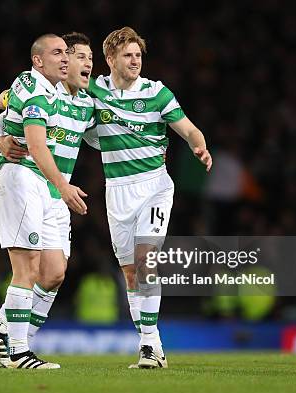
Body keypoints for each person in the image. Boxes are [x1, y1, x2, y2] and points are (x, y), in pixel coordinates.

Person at [86, 27, 212, 368]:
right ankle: (151, 346)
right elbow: (57, 86)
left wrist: (198, 144)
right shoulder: (94, 88)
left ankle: (150, 346)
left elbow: (187, 127)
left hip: (154, 186)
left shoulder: (157, 93)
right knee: (130, 273)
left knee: (146, 262)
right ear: (110, 59)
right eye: (128, 55)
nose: (135, 61)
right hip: (117, 190)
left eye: (138, 55)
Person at [0, 33, 87, 369]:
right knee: (27, 268)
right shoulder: (31, 85)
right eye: (67, 54)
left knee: (54, 272)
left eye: (87, 58)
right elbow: (21, 129)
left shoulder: (85, 99)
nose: (77, 62)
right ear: (43, 60)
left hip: (52, 189)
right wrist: (0, 138)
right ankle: (18, 351)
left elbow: (4, 111)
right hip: (25, 177)